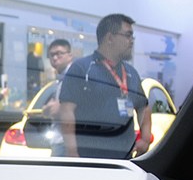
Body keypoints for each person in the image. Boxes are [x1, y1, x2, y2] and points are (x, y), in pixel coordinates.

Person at [59, 14, 152, 159]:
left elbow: (143, 107)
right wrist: (71, 151)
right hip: (89, 157)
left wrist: (145, 139)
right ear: (110, 38)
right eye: (128, 35)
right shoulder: (82, 69)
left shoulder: (131, 72)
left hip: (125, 158)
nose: (131, 41)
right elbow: (67, 111)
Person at [40, 38, 74, 156]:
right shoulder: (60, 80)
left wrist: (59, 109)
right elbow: (53, 108)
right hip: (59, 139)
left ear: (70, 56)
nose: (55, 58)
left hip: (66, 142)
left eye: (59, 53)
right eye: (52, 55)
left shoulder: (74, 77)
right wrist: (48, 109)